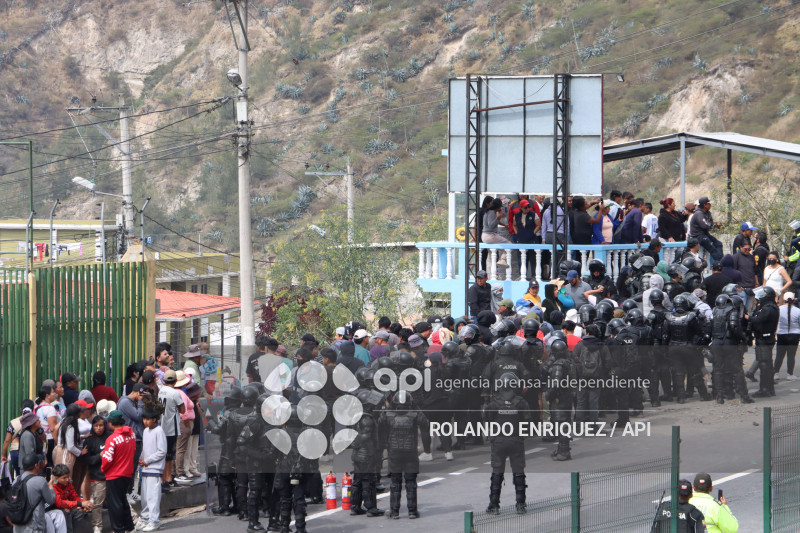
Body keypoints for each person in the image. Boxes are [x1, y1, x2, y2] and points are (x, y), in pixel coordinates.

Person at [483, 374, 530, 515]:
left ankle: (494, 505)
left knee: (497, 473)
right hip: (516, 440)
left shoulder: (494, 402)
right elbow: (527, 419)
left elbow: (487, 418)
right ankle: (520, 505)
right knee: (519, 472)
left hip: (499, 441)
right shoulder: (521, 402)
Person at [379, 391, 429, 519]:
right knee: (411, 483)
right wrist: (415, 405)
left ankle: (394, 511)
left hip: (394, 452)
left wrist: (389, 406)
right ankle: (412, 511)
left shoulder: (389, 414)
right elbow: (425, 423)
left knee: (395, 483)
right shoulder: (414, 414)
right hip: (411, 452)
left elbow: (380, 422)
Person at [709, 294, 753, 404]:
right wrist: (743, 338)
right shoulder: (732, 310)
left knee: (718, 370)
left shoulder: (714, 311)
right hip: (729, 343)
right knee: (737, 370)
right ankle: (744, 396)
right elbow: (734, 327)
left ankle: (720, 396)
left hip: (716, 342)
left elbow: (709, 327)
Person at [100, 411, 136, 533]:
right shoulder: (132, 435)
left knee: (114, 504)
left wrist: (103, 469)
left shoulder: (112, 439)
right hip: (127, 473)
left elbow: (107, 459)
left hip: (114, 475)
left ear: (110, 423)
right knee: (122, 500)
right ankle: (129, 526)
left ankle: (118, 529)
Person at [12, 453, 62, 533]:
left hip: (17, 525)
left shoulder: (16, 480)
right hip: (33, 526)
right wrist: (50, 487)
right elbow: (51, 500)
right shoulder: (40, 481)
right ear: (36, 465)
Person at [748, 286, 780, 398]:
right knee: (767, 366)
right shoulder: (770, 307)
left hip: (764, 340)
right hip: (766, 339)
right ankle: (769, 389)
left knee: (764, 366)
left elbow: (759, 320)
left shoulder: (768, 308)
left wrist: (747, 317)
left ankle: (764, 390)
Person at [138, 408, 166, 532]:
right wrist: (141, 459)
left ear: (154, 419)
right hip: (145, 468)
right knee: (144, 496)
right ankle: (145, 518)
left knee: (153, 496)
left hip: (155, 468)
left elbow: (162, 451)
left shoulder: (159, 431)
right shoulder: (145, 431)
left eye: (148, 419)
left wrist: (147, 460)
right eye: (144, 419)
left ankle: (154, 521)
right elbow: (144, 448)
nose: (145, 421)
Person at [156, 370, 185, 487]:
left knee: (164, 454)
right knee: (169, 455)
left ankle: (166, 477)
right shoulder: (175, 393)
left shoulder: (161, 390)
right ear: (176, 380)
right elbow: (182, 409)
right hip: (171, 427)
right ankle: (167, 478)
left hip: (162, 425)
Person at [82, 416, 109, 533]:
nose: (98, 428)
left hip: (112, 475)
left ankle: (132, 520)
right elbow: (88, 460)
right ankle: (97, 526)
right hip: (97, 477)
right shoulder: (89, 440)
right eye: (96, 425)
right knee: (97, 504)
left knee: (119, 499)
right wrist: (100, 455)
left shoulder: (110, 437)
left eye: (101, 425)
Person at [51, 463, 91, 533]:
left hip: (65, 506)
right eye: (64, 478)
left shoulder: (68, 483)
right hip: (53, 509)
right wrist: (80, 504)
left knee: (80, 513)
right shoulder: (52, 486)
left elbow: (74, 496)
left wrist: (84, 503)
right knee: (67, 512)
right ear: (56, 478)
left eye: (68, 477)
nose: (67, 479)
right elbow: (59, 503)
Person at [53, 404, 87, 479]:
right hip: (65, 453)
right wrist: (81, 452)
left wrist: (83, 437)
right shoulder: (70, 426)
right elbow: (70, 446)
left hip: (60, 450)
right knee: (64, 476)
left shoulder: (64, 421)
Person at [2, 400, 35, 476]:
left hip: (15, 451)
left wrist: (3, 455)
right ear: (33, 409)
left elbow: (7, 441)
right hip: (29, 450)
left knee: (18, 474)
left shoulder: (13, 423)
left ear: (21, 409)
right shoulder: (34, 422)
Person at [775, 292, 800, 381]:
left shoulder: (779, 309)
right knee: (791, 355)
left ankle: (776, 373)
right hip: (794, 335)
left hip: (781, 334)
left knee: (779, 355)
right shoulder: (798, 311)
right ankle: (790, 374)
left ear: (784, 300)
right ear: (793, 300)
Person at [689, 196, 723, 261]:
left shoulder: (707, 213)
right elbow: (704, 226)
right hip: (698, 236)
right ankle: (720, 264)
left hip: (705, 234)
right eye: (709, 203)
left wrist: (710, 225)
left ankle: (721, 261)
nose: (710, 205)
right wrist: (710, 225)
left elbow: (710, 224)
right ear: (705, 205)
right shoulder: (699, 213)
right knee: (712, 248)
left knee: (719, 243)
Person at [481, 197, 510, 269]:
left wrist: (500, 219)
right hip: (490, 235)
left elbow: (493, 222)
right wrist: (498, 217)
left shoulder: (488, 211)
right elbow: (491, 225)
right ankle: (502, 259)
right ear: (498, 206)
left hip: (484, 235)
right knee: (509, 244)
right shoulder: (492, 212)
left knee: (491, 256)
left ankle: (490, 275)